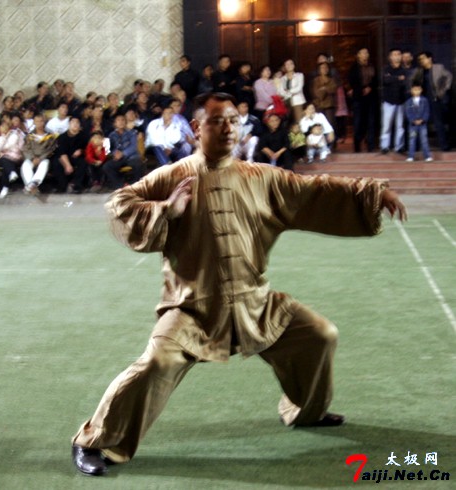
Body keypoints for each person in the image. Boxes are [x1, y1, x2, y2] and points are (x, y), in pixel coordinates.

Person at [71, 92, 407, 477]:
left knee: (319, 335)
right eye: (217, 121)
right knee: (156, 363)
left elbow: (313, 189)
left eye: (233, 120)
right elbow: (120, 205)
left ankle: (305, 410)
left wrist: (371, 193)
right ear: (197, 127)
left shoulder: (260, 177)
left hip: (255, 304)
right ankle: (94, 441)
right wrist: (165, 210)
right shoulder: (172, 176)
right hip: (192, 308)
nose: (228, 128)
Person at [412, 51, 452, 151]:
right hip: (422, 100)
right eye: (420, 59)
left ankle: (444, 145)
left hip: (435, 99)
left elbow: (449, 76)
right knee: (419, 122)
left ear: (429, 58)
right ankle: (417, 146)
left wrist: (444, 90)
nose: (421, 61)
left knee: (438, 123)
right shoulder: (419, 71)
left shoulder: (438, 67)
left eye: (423, 58)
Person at [348, 48, 377, 152]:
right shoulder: (354, 68)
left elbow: (376, 80)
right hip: (358, 97)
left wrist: (370, 87)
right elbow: (352, 82)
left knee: (371, 122)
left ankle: (371, 146)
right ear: (358, 55)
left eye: (366, 53)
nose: (365, 54)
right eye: (363, 53)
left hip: (371, 97)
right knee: (358, 122)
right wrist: (361, 89)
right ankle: (357, 146)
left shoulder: (372, 66)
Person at [21, 113, 57, 195]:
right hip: (32, 158)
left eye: (41, 121)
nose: (39, 123)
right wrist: (32, 158)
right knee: (25, 165)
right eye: (37, 121)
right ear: (34, 122)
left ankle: (32, 184)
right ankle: (32, 186)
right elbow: (26, 149)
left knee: (44, 164)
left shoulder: (50, 136)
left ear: (44, 122)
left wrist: (40, 158)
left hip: (43, 158)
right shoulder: (29, 136)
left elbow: (50, 149)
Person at [104, 114, 143, 189]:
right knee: (107, 166)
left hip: (131, 157)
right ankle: (121, 185)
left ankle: (136, 186)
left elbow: (133, 147)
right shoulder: (111, 135)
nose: (121, 122)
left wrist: (123, 153)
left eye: (123, 120)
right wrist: (115, 153)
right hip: (118, 158)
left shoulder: (132, 133)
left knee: (138, 164)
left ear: (125, 122)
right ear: (115, 123)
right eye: (118, 120)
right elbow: (108, 149)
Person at [380, 49, 407, 154]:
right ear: (390, 57)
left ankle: (399, 146)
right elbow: (386, 80)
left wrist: (393, 79)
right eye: (394, 54)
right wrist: (398, 78)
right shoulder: (386, 69)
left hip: (401, 101)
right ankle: (384, 146)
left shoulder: (404, 70)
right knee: (386, 125)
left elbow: (405, 82)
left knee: (400, 126)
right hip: (388, 101)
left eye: (398, 54)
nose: (396, 56)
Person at [51, 117, 88, 193]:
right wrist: (67, 165)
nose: (75, 124)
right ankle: (62, 185)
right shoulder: (62, 137)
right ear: (69, 124)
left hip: (77, 158)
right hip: (64, 157)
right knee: (56, 162)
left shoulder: (84, 136)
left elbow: (87, 148)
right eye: (73, 122)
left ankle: (75, 184)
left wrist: (81, 150)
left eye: (77, 122)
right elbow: (61, 152)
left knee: (83, 162)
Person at [0, 119, 25, 199]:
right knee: (4, 161)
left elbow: (8, 146)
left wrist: (3, 145)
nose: (3, 128)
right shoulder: (1, 137)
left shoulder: (14, 135)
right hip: (5, 157)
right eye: (2, 126)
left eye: (5, 126)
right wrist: (3, 137)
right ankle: (10, 175)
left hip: (15, 156)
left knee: (5, 161)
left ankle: (5, 187)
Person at [404, 83, 433, 162]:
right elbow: (408, 112)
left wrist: (422, 120)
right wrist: (413, 120)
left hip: (422, 125)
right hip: (413, 125)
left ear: (421, 90)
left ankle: (427, 156)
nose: (416, 91)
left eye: (418, 89)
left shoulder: (424, 100)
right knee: (412, 140)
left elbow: (427, 111)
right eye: (414, 89)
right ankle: (411, 156)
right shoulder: (409, 102)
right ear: (411, 91)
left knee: (424, 140)